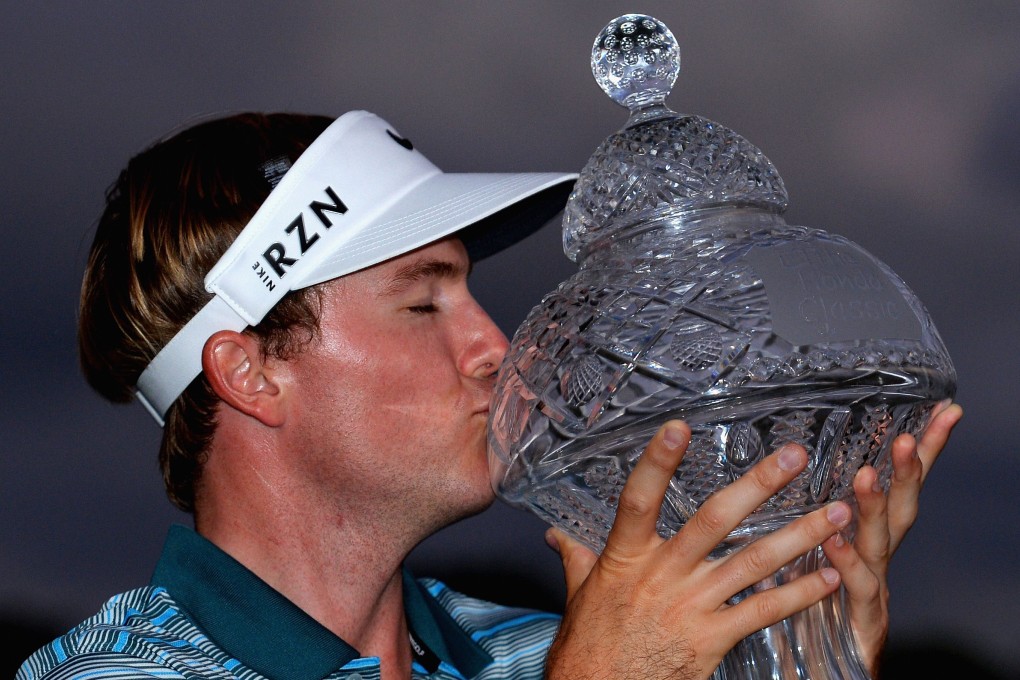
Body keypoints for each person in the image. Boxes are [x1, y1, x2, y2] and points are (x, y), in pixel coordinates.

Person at [17, 110, 961, 680]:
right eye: (423, 302)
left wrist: (807, 647)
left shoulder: (539, 648)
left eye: (468, 290)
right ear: (250, 371)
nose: (495, 349)